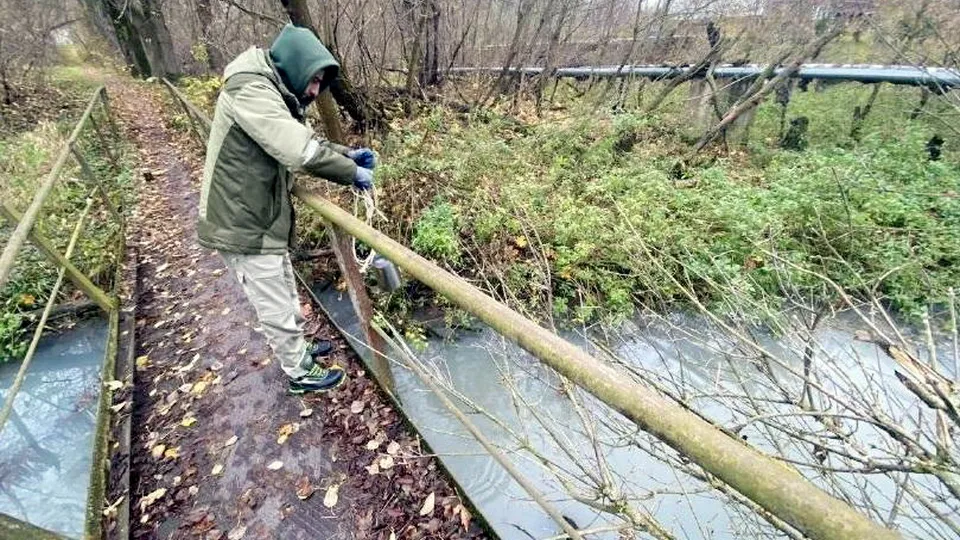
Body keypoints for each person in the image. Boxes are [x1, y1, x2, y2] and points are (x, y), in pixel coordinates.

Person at [197, 24, 376, 395]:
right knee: (274, 301)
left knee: (283, 286)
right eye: (313, 81)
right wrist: (351, 172)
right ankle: (299, 372)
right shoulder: (251, 88)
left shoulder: (272, 89)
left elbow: (297, 138)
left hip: (257, 211)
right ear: (295, 66)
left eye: (319, 84)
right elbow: (298, 151)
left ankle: (299, 349)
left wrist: (347, 154)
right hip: (241, 220)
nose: (314, 91)